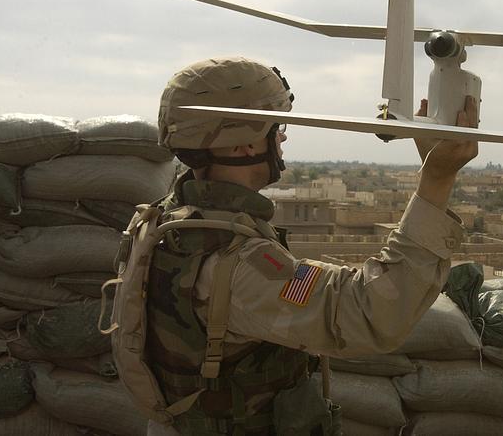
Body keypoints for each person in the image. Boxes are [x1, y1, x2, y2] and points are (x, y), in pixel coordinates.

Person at [111, 56, 478, 435]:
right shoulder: (237, 264)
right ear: (242, 145)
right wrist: (436, 179)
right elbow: (369, 313)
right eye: (276, 127)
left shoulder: (166, 218)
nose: (283, 138)